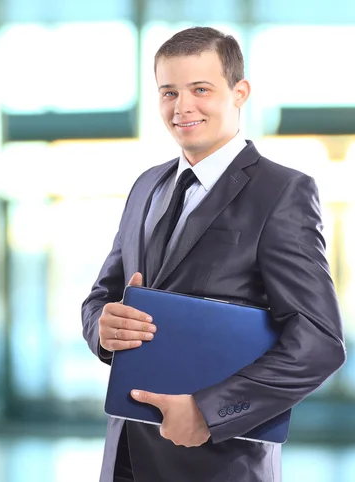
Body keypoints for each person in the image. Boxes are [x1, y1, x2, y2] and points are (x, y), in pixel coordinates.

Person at [81, 26, 346, 482]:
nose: (182, 106)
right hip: (124, 456)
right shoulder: (147, 185)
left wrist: (210, 412)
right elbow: (100, 297)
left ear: (239, 92)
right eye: (169, 92)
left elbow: (319, 341)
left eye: (200, 89)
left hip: (220, 462)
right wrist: (103, 328)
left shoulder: (282, 191)